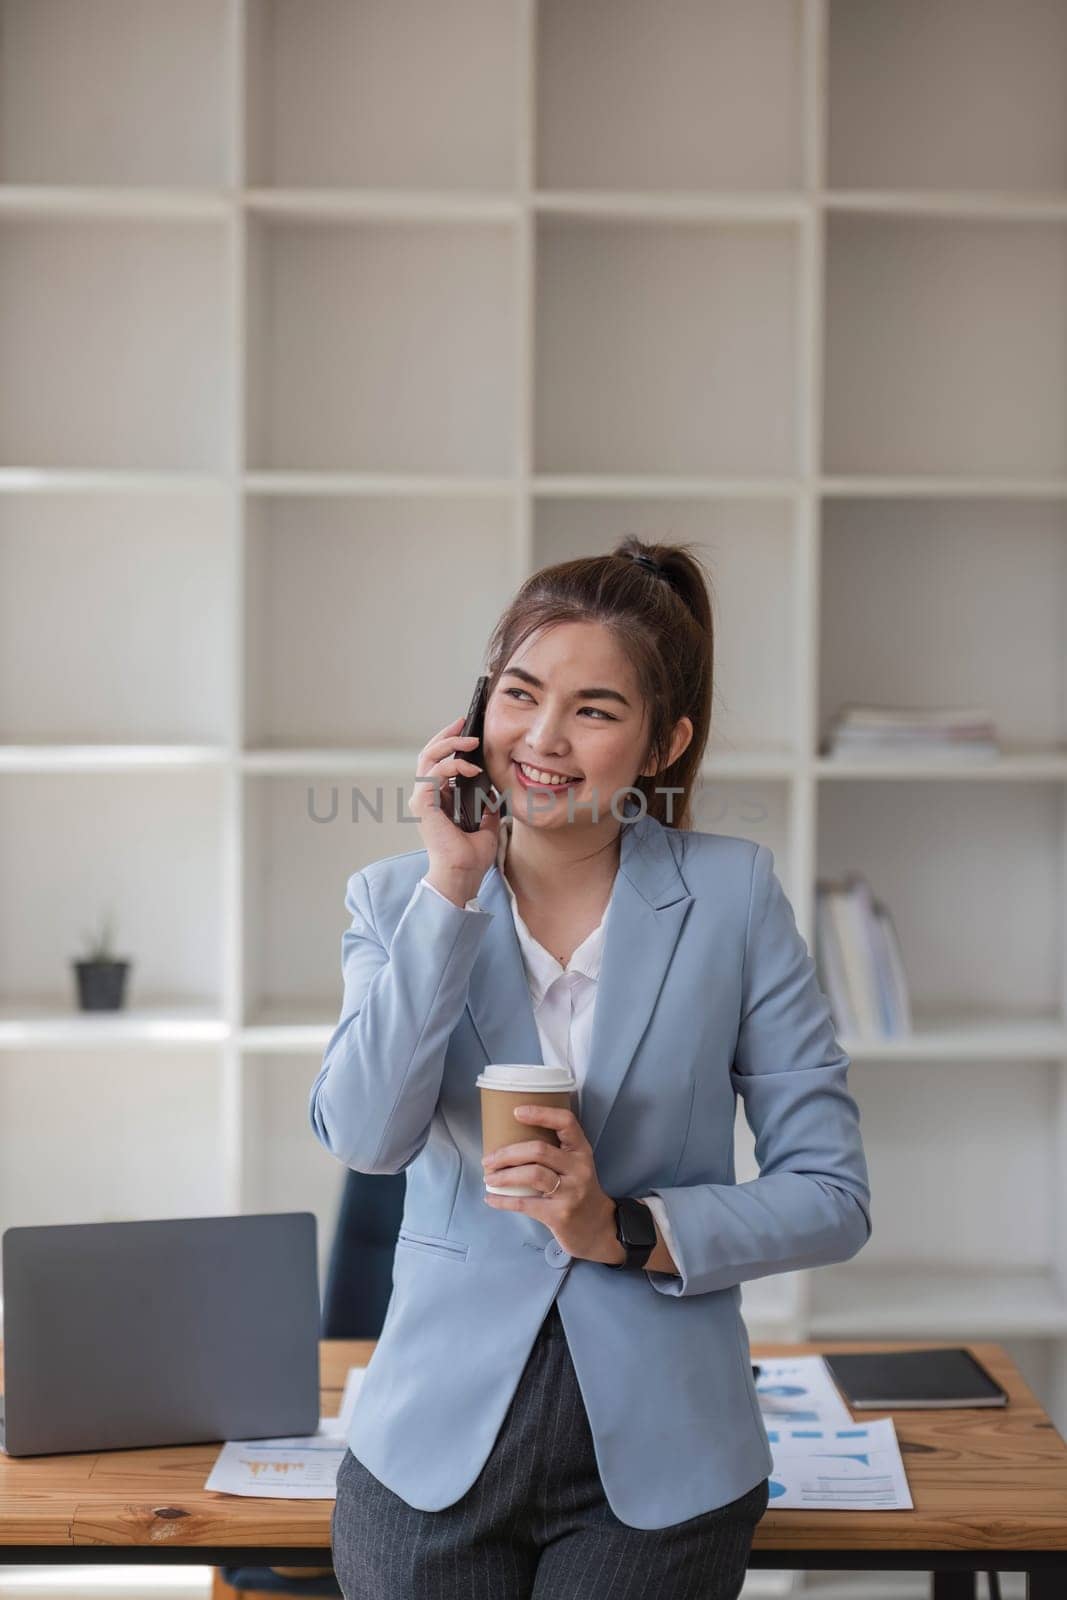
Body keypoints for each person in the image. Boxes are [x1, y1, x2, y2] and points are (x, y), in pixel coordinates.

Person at [310, 538, 872, 1598]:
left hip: (662, 1453)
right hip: (432, 1444)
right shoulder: (397, 899)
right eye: (518, 694)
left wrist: (624, 1225)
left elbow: (831, 1196)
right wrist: (450, 891)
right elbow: (365, 1138)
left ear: (664, 743)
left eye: (595, 710)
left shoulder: (732, 897)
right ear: (478, 707)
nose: (542, 737)